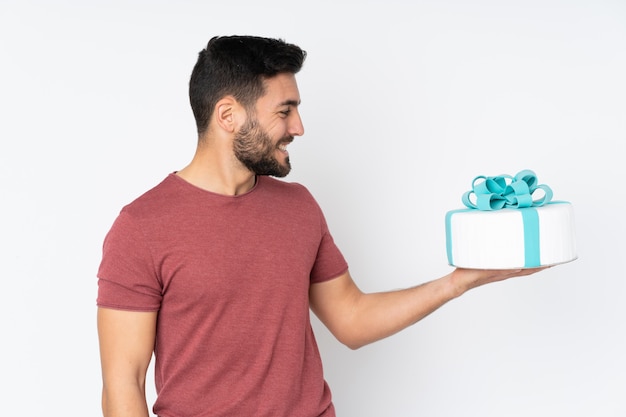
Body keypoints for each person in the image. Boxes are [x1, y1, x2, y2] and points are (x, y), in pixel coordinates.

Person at [96, 35, 545, 417]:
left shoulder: (299, 207)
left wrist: (458, 282)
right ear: (228, 116)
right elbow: (124, 386)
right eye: (284, 110)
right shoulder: (142, 227)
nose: (299, 127)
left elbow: (350, 319)